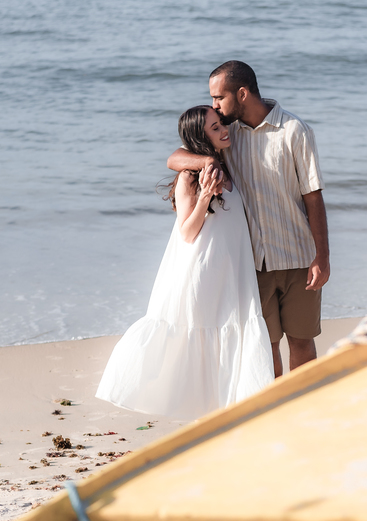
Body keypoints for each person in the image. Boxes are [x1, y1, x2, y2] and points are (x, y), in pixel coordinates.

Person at [95, 106, 274, 420]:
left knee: (231, 332)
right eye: (215, 128)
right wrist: (205, 196)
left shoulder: (223, 165)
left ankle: (228, 412)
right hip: (202, 270)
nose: (223, 131)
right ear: (200, 137)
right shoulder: (188, 178)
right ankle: (201, 413)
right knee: (201, 336)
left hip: (231, 269)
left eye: (221, 124)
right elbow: (187, 233)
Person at [167, 60, 329, 378]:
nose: (214, 105)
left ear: (241, 94)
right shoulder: (226, 135)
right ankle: (272, 410)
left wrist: (322, 256)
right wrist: (205, 161)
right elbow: (174, 158)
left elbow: (314, 197)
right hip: (252, 264)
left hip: (298, 257)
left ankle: (302, 405)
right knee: (264, 344)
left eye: (218, 98)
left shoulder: (295, 131)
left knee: (302, 340)